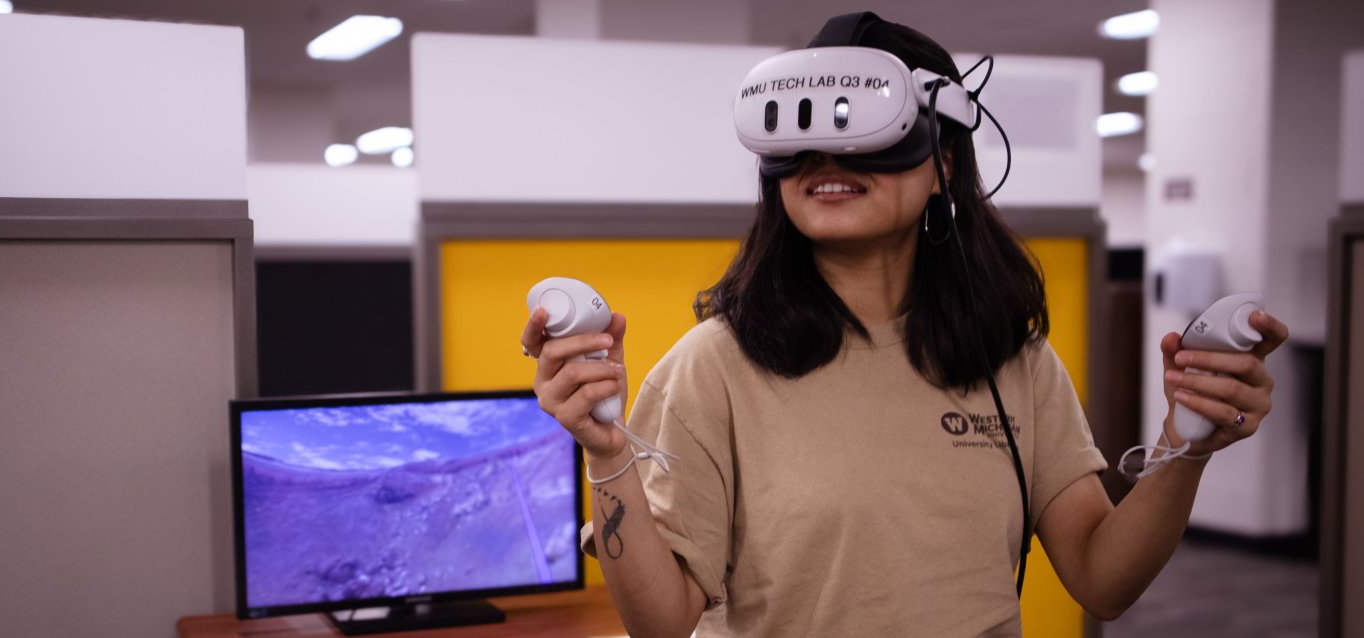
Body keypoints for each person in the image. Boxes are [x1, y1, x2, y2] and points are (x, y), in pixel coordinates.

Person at [519, 12, 1289, 638]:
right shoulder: (713, 366)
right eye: (803, 132)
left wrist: (1185, 446)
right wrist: (606, 452)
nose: (829, 151)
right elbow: (661, 624)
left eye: (871, 125)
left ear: (944, 162)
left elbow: (1102, 579)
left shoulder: (1008, 357)